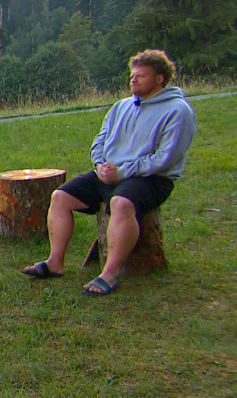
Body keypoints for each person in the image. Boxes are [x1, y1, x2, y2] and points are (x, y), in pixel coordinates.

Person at [21, 49, 196, 296]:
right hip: (108, 173)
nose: (133, 79)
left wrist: (122, 172)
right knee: (60, 197)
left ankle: (110, 273)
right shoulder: (121, 106)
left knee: (121, 202)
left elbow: (165, 159)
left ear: (160, 79)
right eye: (132, 75)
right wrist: (100, 164)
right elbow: (100, 139)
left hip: (151, 179)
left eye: (141, 75)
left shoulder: (178, 111)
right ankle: (55, 263)